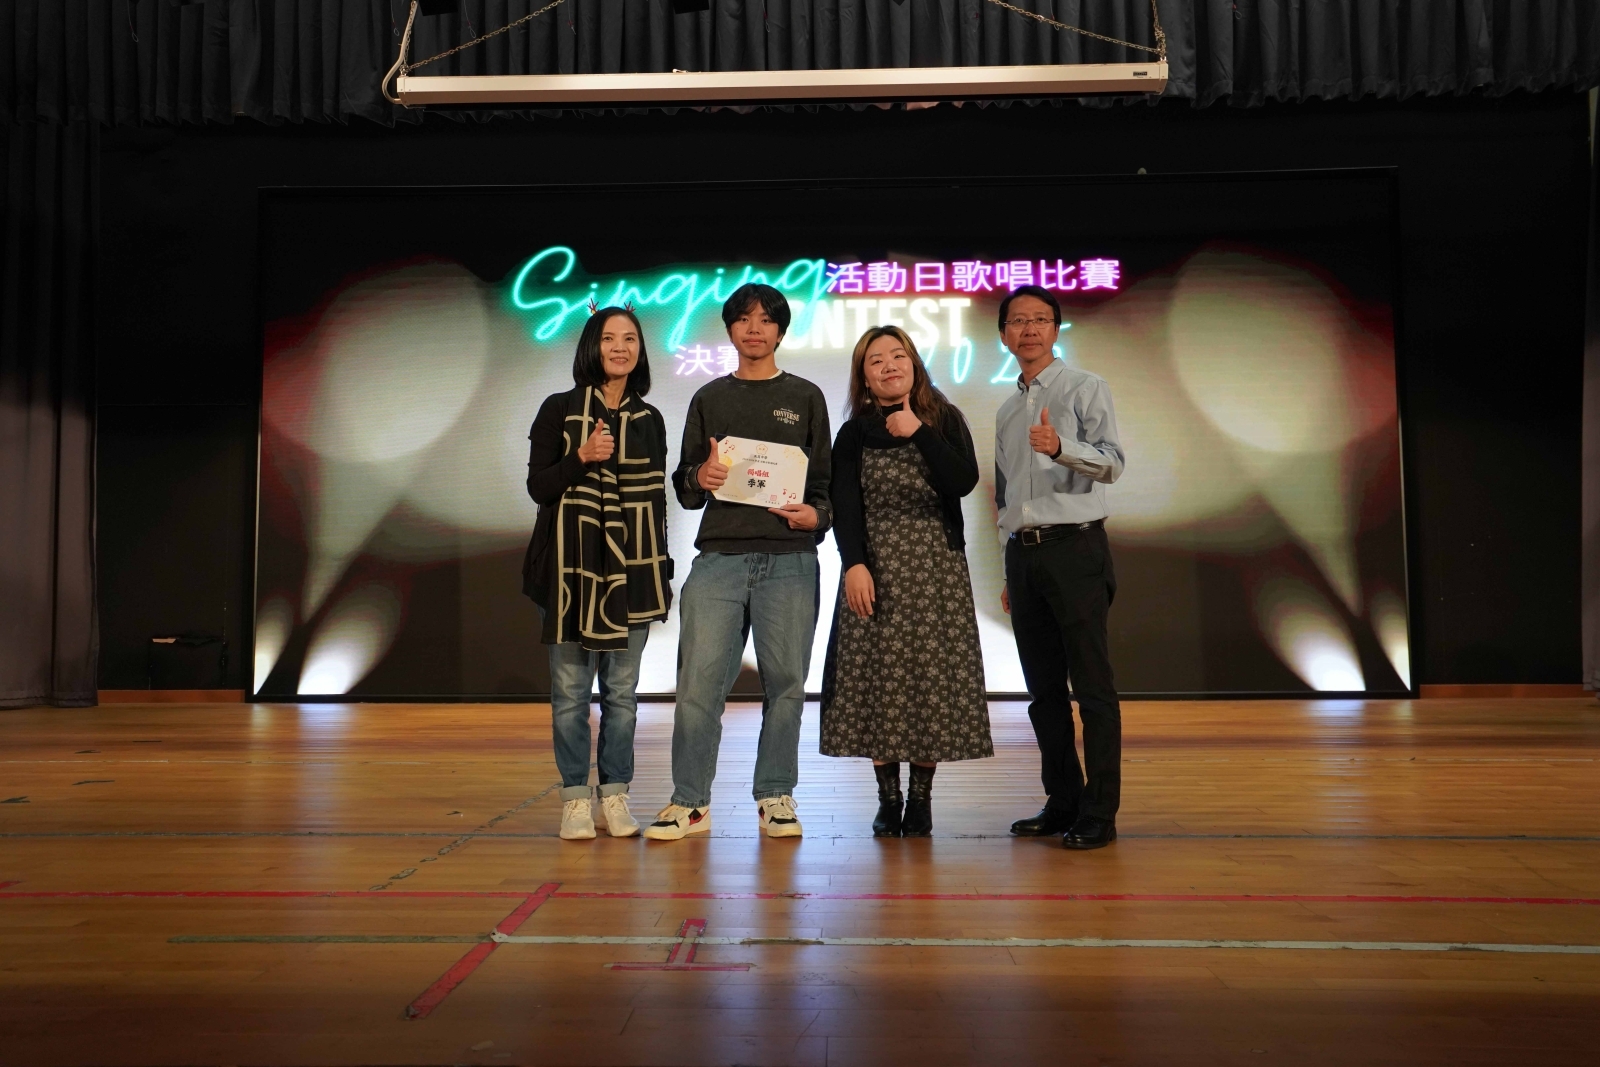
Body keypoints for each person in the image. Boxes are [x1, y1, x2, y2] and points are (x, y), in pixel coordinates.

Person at [642, 283, 833, 841]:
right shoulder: (709, 397)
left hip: (790, 559)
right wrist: (699, 476)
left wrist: (815, 516)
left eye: (766, 319)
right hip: (719, 558)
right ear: (729, 329)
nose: (754, 328)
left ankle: (776, 796)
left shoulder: (806, 396)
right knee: (697, 687)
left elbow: (823, 486)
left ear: (781, 330)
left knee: (787, 685)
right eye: (744, 319)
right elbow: (685, 485)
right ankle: (690, 802)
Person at [821, 326, 992, 837]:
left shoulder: (943, 418)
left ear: (915, 364)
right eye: (876, 360)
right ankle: (887, 798)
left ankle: (920, 799)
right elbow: (846, 503)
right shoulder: (853, 433)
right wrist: (853, 564)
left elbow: (962, 481)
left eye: (898, 356)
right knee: (877, 679)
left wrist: (918, 430)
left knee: (928, 681)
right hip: (874, 567)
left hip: (935, 568)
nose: (889, 365)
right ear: (864, 377)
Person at [523, 306, 673, 842]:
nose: (620, 347)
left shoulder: (650, 419)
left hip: (633, 572)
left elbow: (655, 504)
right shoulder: (559, 408)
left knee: (622, 696)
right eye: (609, 338)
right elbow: (539, 487)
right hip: (570, 574)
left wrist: (659, 570)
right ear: (592, 346)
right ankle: (574, 800)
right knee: (570, 695)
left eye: (630, 339)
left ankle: (614, 794)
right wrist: (582, 456)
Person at [994, 285, 1127, 850]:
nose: (1029, 329)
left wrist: (1059, 448)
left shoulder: (1084, 386)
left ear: (1055, 329)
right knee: (1043, 692)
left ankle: (1100, 812)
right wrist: (1008, 569)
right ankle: (1062, 801)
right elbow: (1006, 496)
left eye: (1040, 319)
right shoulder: (1006, 410)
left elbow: (1113, 464)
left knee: (1092, 688)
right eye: (1017, 321)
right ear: (1003, 335)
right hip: (1024, 555)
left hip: (1076, 548)